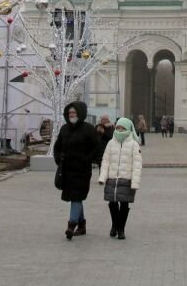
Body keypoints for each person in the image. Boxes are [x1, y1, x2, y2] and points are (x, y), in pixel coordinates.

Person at [53, 101, 99, 240]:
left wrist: (87, 159)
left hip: (82, 170)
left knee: (77, 196)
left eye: (74, 112)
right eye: (70, 113)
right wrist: (59, 158)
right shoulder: (64, 129)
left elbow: (96, 147)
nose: (71, 115)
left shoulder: (89, 129)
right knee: (76, 197)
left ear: (80, 113)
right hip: (67, 169)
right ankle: (82, 224)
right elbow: (57, 146)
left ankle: (71, 225)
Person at [97, 117, 142, 240]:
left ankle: (121, 228)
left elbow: (137, 165)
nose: (120, 130)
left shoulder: (133, 144)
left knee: (124, 205)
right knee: (112, 203)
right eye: (118, 128)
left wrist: (135, 182)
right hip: (112, 179)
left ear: (128, 129)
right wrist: (102, 177)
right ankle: (114, 225)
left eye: (122, 128)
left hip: (126, 179)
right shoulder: (111, 143)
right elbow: (105, 161)